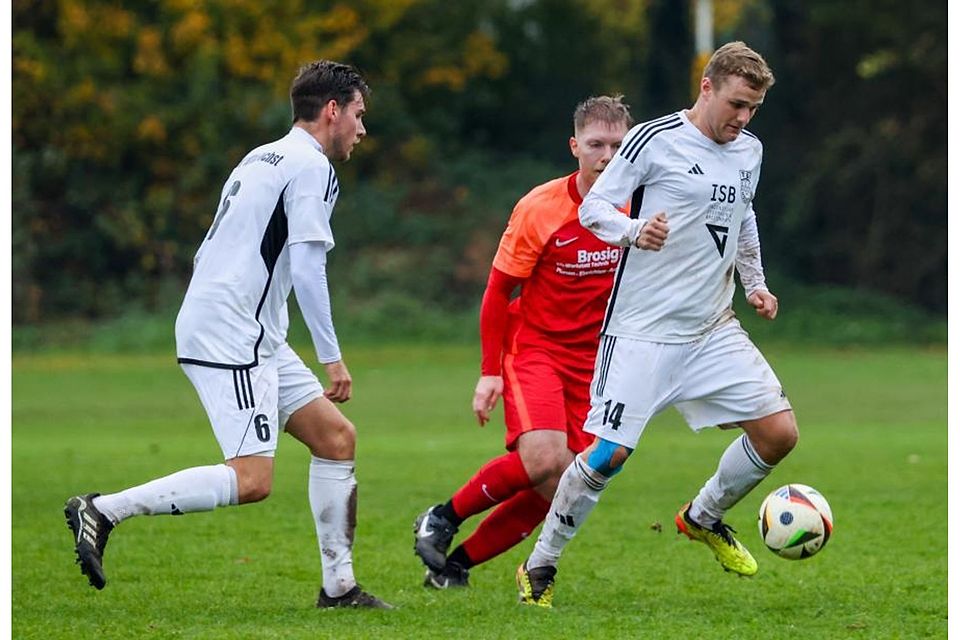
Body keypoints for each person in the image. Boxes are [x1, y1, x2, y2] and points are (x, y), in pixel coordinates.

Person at [64, 60, 392, 609]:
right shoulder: (312, 166)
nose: (362, 129)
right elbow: (308, 267)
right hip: (231, 330)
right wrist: (332, 358)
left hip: (248, 326)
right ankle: (104, 510)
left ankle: (339, 589)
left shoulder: (264, 153)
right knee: (253, 478)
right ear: (332, 110)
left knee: (336, 439)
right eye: (359, 114)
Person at [517, 42, 797, 608]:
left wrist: (756, 284)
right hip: (641, 331)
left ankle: (703, 516)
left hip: (712, 327)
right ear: (707, 87)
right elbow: (595, 208)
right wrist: (632, 231)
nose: (742, 119)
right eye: (737, 104)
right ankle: (539, 566)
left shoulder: (749, 151)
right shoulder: (655, 139)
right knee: (608, 456)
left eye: (754, 110)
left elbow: (743, 215)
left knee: (778, 434)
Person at [412, 96, 634, 589]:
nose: (606, 155)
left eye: (618, 145)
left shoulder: (640, 210)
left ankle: (454, 568)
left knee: (561, 486)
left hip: (594, 363)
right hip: (534, 347)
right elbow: (497, 291)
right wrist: (490, 371)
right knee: (543, 458)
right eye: (596, 144)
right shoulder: (541, 209)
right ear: (575, 146)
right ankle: (442, 517)